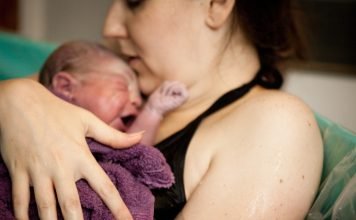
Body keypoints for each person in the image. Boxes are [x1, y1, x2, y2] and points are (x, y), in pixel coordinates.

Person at [0, 0, 323, 219]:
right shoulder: (120, 79)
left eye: (135, 0)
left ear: (217, 3)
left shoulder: (273, 127)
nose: (110, 26)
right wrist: (14, 97)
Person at [38, 40, 188, 145]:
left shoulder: (112, 143)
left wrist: (153, 111)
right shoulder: (38, 126)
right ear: (66, 88)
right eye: (123, 86)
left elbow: (135, 151)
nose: (137, 101)